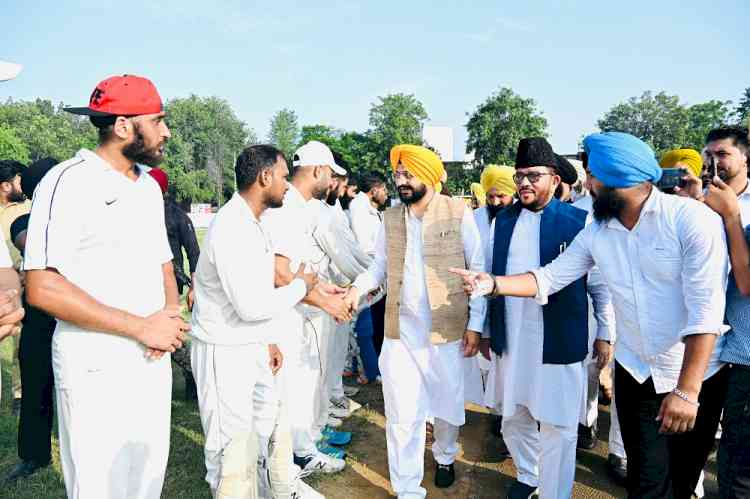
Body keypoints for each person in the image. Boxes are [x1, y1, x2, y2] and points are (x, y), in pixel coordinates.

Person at [453, 131, 730, 499]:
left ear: (618, 178)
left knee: (682, 481)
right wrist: (492, 284)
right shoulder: (598, 230)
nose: (587, 185)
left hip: (691, 374)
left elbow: (706, 313)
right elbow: (549, 277)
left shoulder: (690, 220)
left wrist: (687, 392)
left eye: (592, 176)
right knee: (646, 482)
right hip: (635, 372)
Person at [23, 74, 189, 499]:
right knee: (100, 488)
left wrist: (169, 318)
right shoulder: (68, 180)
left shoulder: (148, 185)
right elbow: (42, 286)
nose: (167, 132)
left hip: (151, 358)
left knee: (145, 482)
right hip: (94, 362)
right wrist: (142, 327)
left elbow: (164, 264)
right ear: (123, 125)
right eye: (158, 121)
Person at [343, 144, 486, 497]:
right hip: (401, 333)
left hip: (447, 330)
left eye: (409, 174)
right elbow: (378, 266)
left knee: (447, 405)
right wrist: (356, 290)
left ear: (429, 176)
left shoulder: (457, 211)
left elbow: (478, 268)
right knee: (402, 414)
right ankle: (407, 488)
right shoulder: (391, 217)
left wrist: (476, 324)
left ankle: (445, 455)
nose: (401, 181)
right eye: (398, 174)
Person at [482, 137, 614, 499]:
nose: (524, 183)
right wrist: (486, 329)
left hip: (559, 338)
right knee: (512, 417)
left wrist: (605, 331)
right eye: (519, 175)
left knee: (559, 426)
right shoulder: (502, 222)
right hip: (512, 339)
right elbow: (489, 276)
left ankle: (556, 492)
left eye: (533, 176)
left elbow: (599, 285)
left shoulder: (580, 221)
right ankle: (530, 475)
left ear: (555, 180)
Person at [190, 144, 320, 499]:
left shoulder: (253, 222)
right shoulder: (232, 226)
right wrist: (301, 286)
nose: (287, 185)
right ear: (264, 177)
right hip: (224, 349)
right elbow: (250, 306)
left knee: (261, 433)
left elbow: (255, 292)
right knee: (229, 451)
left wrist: (268, 340)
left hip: (250, 344)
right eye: (282, 177)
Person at [263, 140, 352, 475]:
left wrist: (325, 289)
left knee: (299, 388)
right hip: (281, 314)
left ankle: (300, 451)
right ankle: (294, 458)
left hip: (294, 309)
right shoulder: (288, 207)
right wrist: (327, 302)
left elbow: (299, 270)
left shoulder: (299, 207)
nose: (332, 181)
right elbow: (279, 273)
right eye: (330, 173)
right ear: (317, 171)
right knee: (289, 391)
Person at [573, 152, 627, 485]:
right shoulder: (578, 213)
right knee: (591, 367)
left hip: (639, 317)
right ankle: (587, 422)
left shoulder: (648, 214)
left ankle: (620, 451)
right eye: (590, 173)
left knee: (627, 380)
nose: (593, 181)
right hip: (598, 308)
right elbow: (589, 276)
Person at [5, 158, 59, 484]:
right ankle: (33, 455)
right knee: (36, 387)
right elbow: (33, 243)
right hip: (39, 320)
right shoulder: (24, 222)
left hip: (76, 317)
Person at [147, 167, 200, 400]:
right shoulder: (139, 212)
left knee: (166, 329)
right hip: (146, 282)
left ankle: (191, 373)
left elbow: (194, 252)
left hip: (169, 284)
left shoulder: (176, 215)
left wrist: (194, 287)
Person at [471, 164, 515, 438]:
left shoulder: (521, 218)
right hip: (480, 297)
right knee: (486, 361)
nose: (496, 202)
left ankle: (511, 415)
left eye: (502, 196)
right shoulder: (474, 219)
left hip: (512, 298)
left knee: (509, 362)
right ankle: (497, 412)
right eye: (491, 196)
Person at [348, 170, 389, 382]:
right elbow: (364, 248)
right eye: (384, 189)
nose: (387, 194)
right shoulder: (360, 209)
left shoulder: (370, 209)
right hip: (367, 273)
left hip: (374, 273)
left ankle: (372, 369)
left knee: (373, 323)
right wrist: (373, 280)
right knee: (366, 325)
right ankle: (370, 371)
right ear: (374, 190)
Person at [0, 159, 31, 413]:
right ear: (5, 186)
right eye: (20, 180)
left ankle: (20, 394)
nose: (24, 185)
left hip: (22, 282)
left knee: (22, 340)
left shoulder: (28, 208)